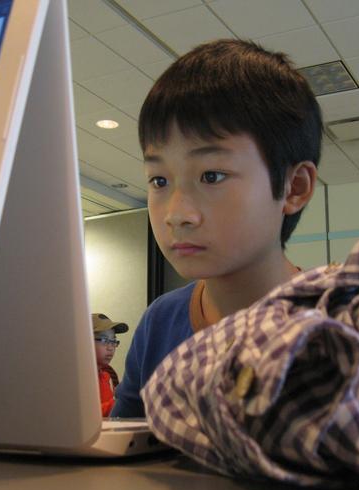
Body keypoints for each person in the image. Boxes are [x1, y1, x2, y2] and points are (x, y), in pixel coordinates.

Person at [111, 39, 322, 417]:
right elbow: (125, 441)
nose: (177, 214)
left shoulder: (334, 327)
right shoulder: (160, 321)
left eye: (211, 176)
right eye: (159, 180)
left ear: (294, 187)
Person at [92, 313, 128, 416]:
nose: (111, 347)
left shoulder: (107, 376)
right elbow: (87, 414)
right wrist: (122, 403)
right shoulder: (79, 379)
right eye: (104, 340)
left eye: (113, 341)